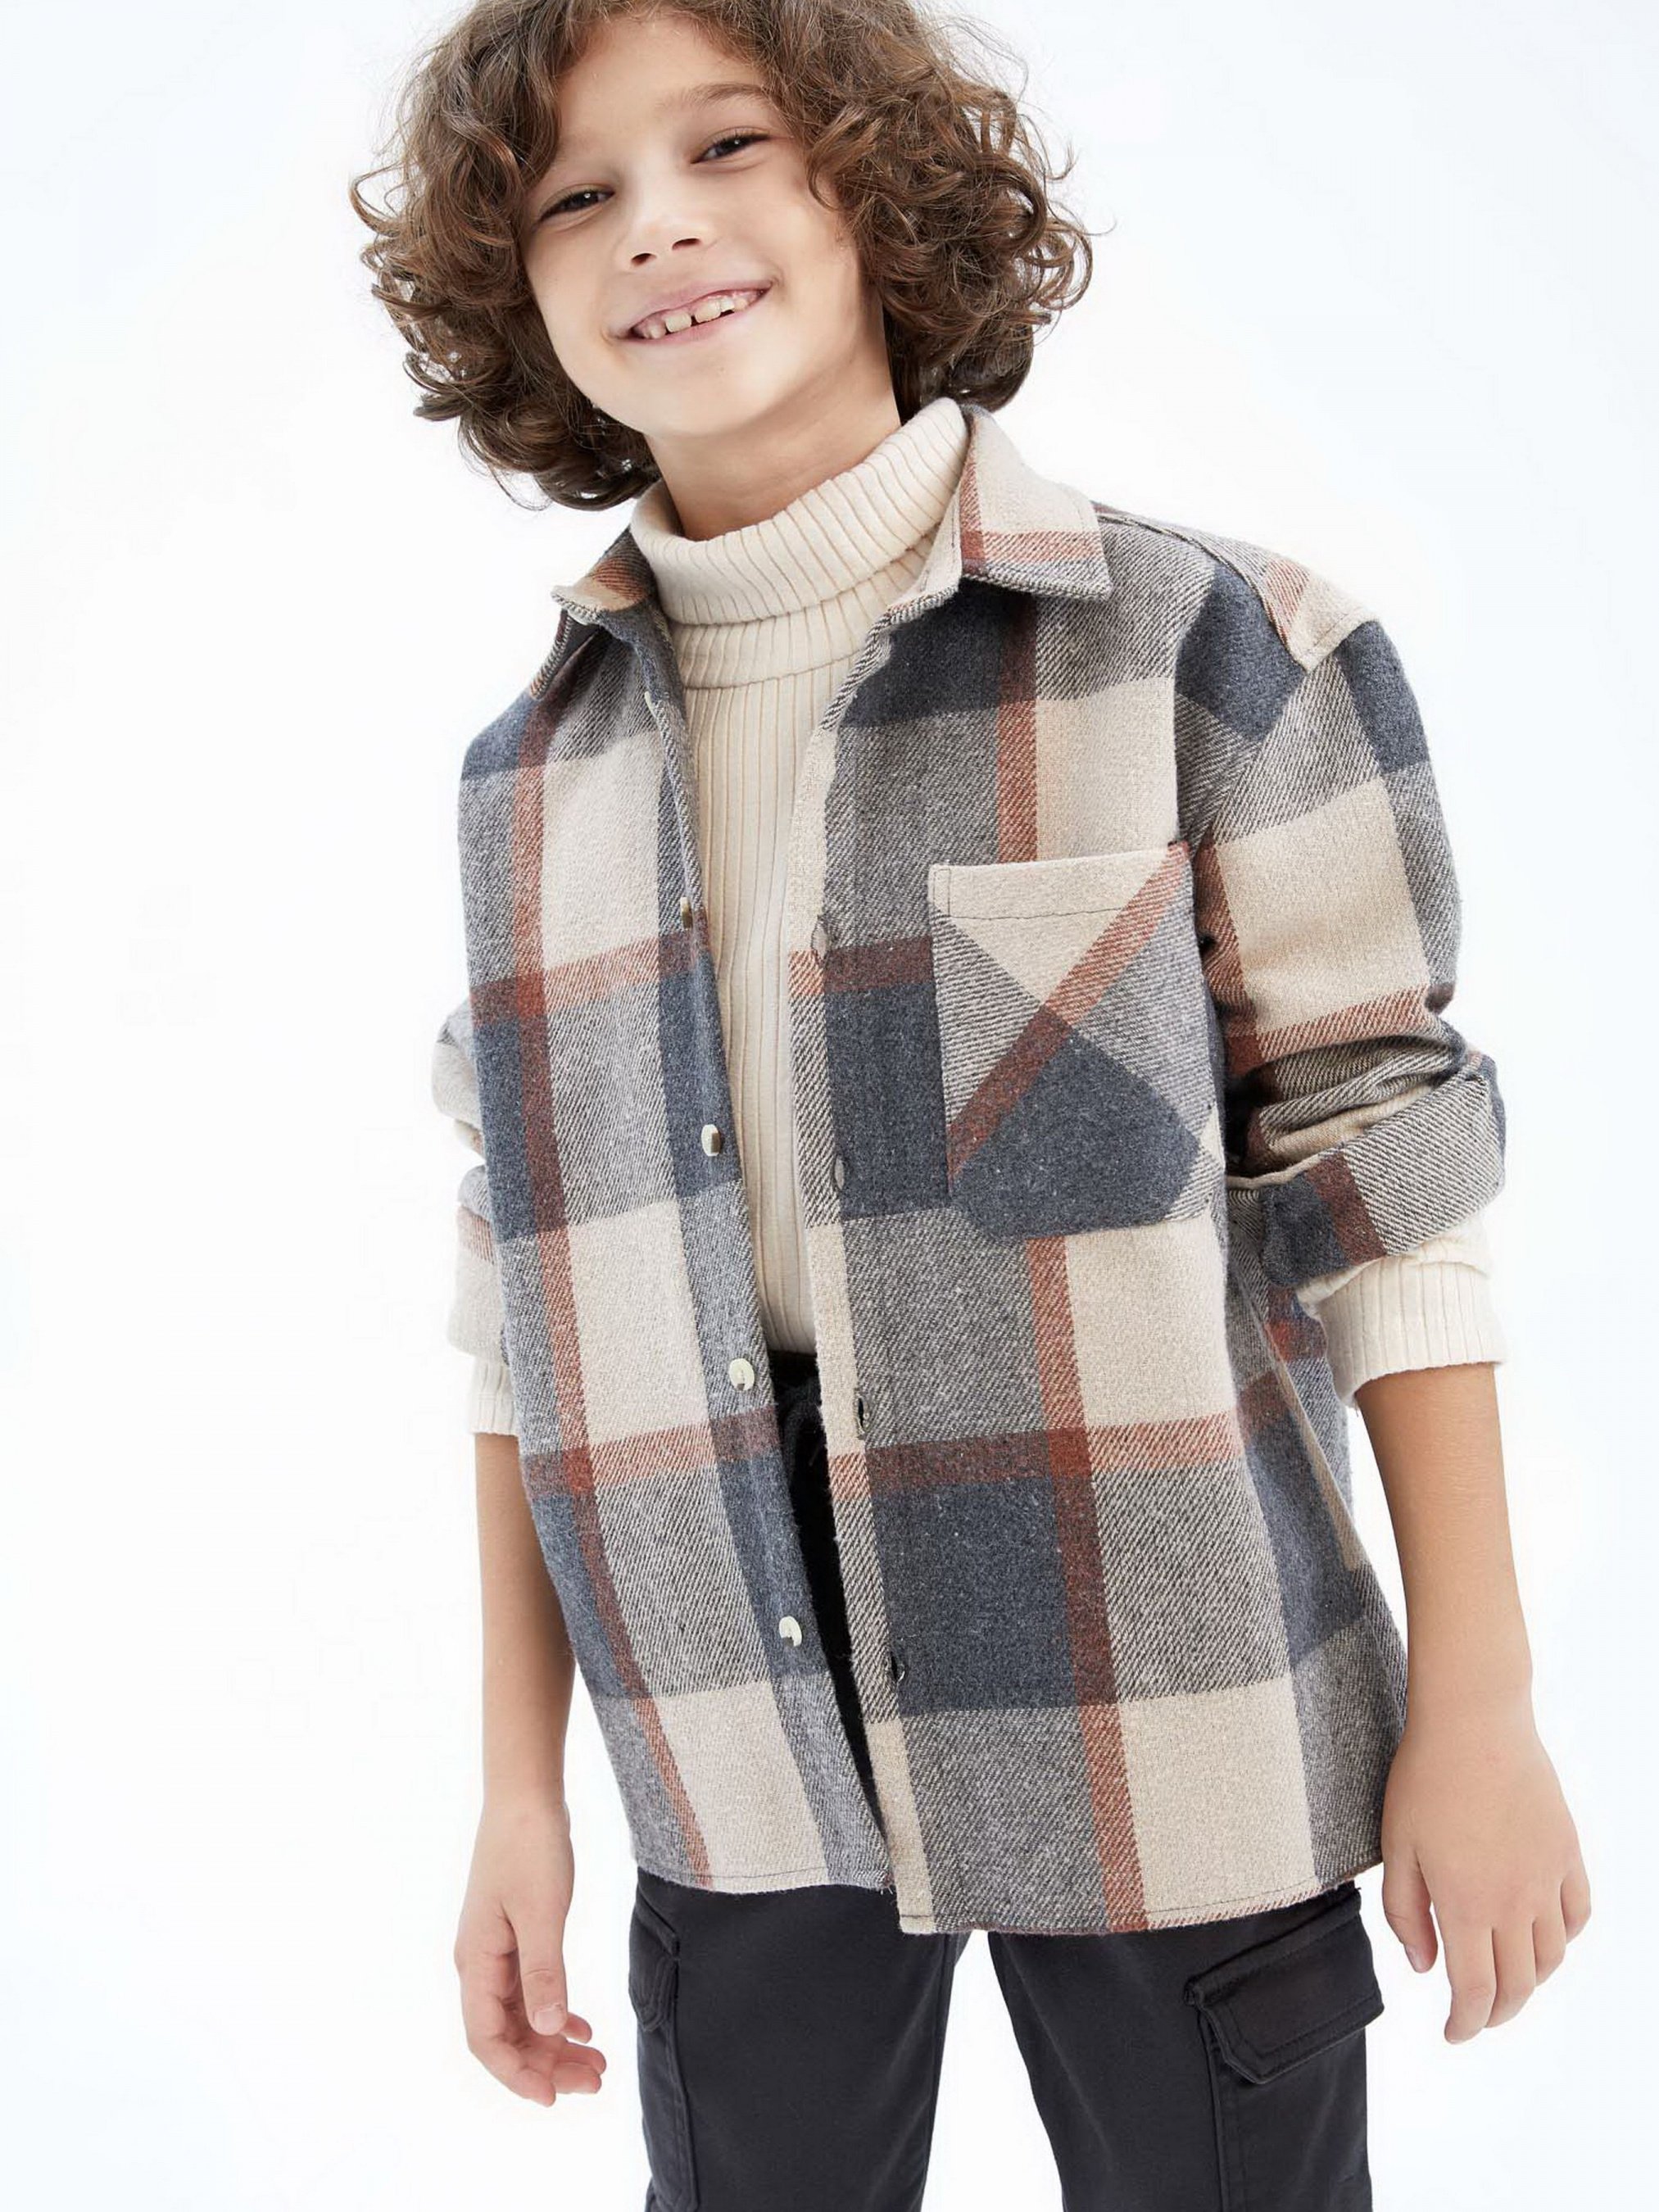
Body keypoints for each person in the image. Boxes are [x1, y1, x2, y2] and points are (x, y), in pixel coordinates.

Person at [351, 2, 1592, 2204]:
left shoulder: (1208, 648)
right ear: (511, 289)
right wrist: (517, 1790)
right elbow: (518, 1309)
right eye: (574, 195)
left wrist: (1479, 1707)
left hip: (1167, 1670)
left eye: (728, 144)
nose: (657, 226)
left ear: (872, 181)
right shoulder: (530, 782)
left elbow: (1387, 1186)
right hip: (725, 1705)